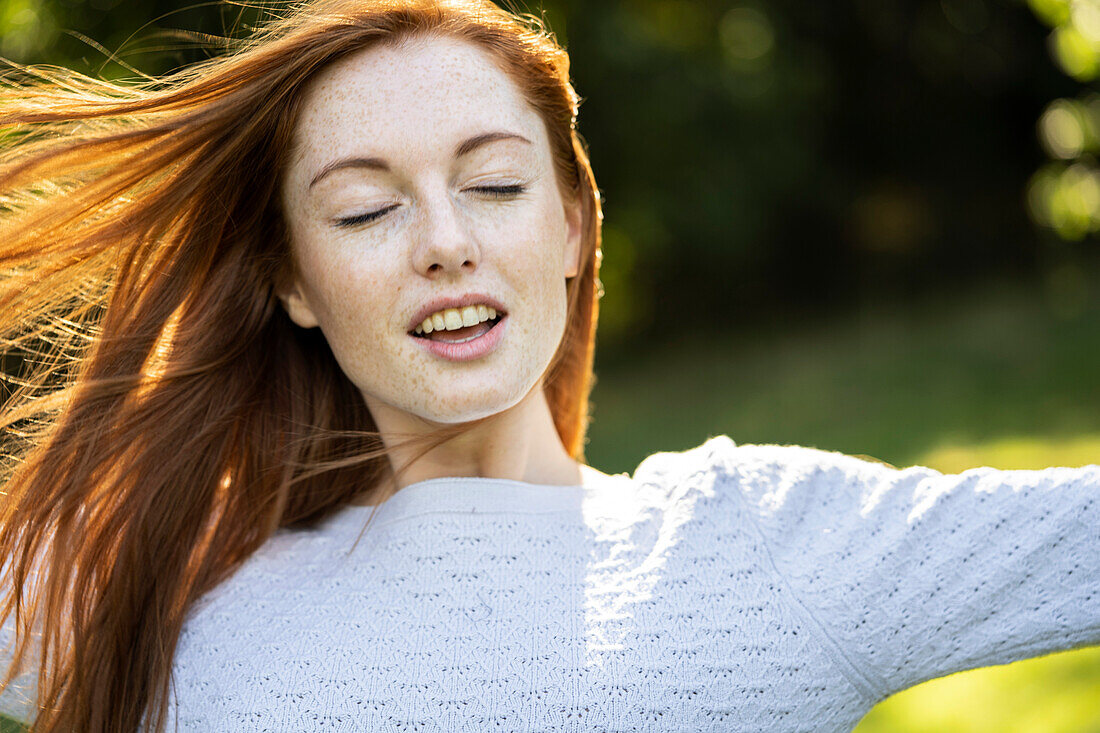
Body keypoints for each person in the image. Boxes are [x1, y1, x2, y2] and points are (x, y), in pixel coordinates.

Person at [0, 0, 1096, 731]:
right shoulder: (171, 600)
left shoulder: (756, 541)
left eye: (492, 183)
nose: (442, 239)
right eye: (365, 207)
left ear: (573, 228)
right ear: (291, 282)